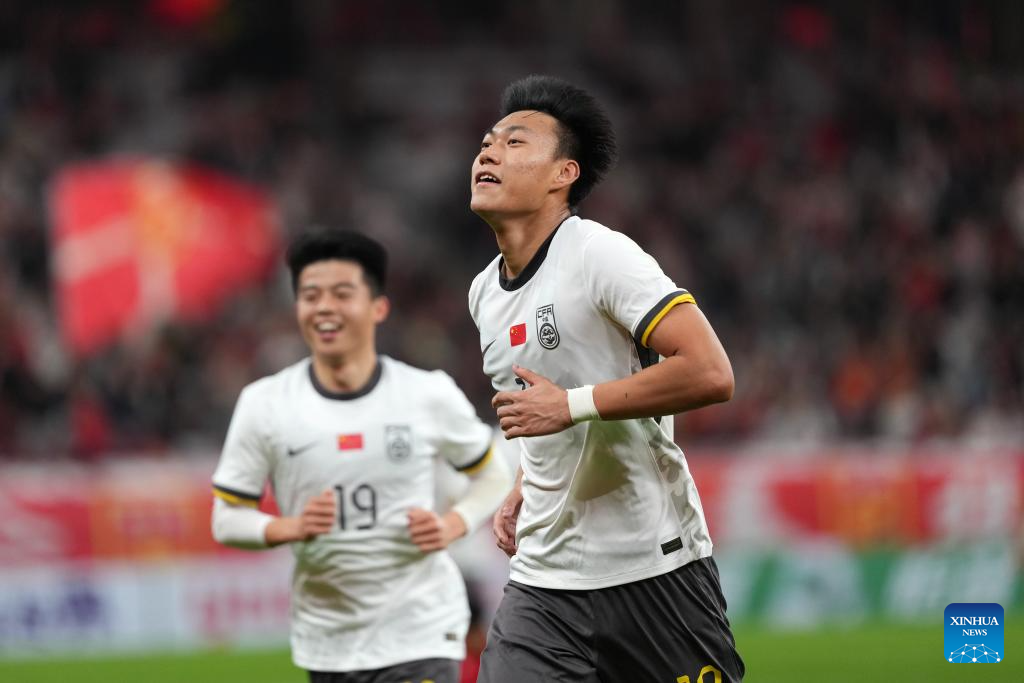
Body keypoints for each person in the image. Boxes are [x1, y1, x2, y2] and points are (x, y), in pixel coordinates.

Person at [467, 75, 745, 682]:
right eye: (487, 142)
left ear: (563, 174)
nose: (488, 153)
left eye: (514, 142)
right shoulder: (484, 292)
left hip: (653, 569)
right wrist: (526, 481)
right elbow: (545, 403)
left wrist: (570, 406)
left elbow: (710, 371)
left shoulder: (600, 254)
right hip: (544, 583)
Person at [210, 229, 512, 683]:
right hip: (328, 640)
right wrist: (290, 528)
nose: (324, 307)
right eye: (311, 295)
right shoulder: (264, 404)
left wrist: (454, 523)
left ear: (378, 308)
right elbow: (226, 518)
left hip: (420, 629)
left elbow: (493, 475)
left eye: (341, 293)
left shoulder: (426, 393)